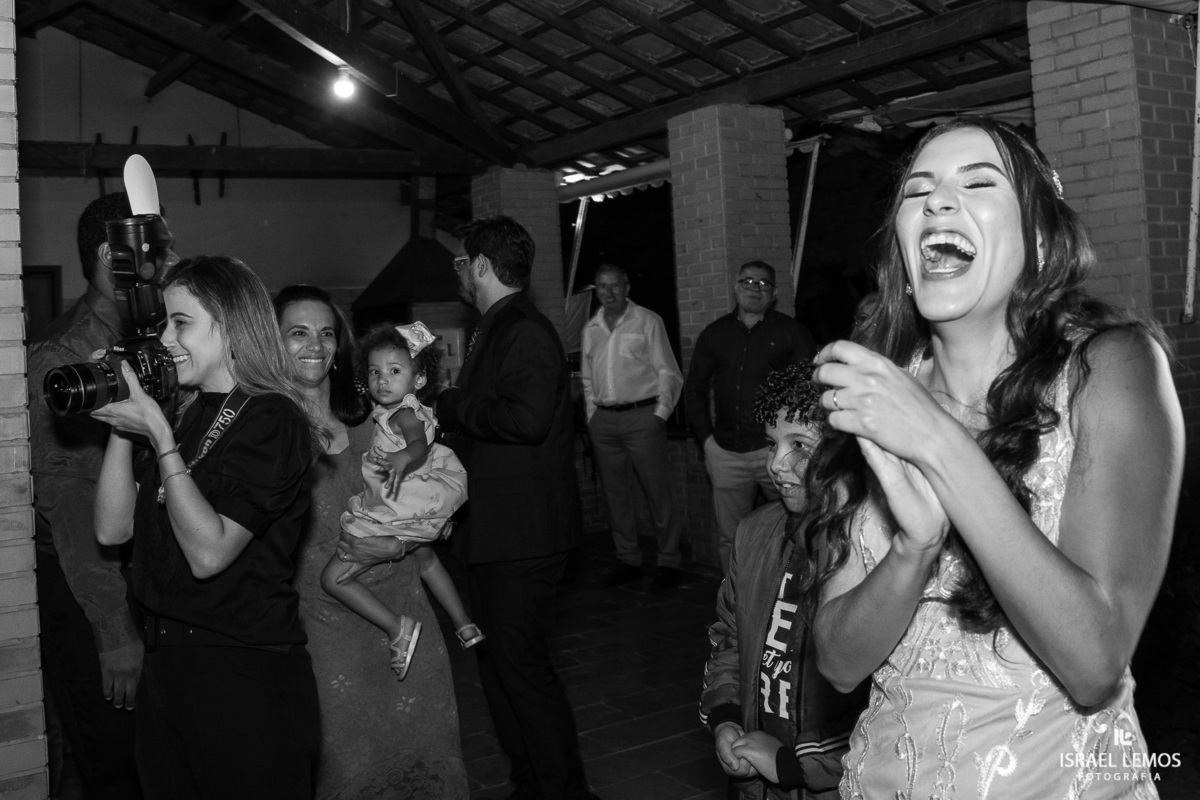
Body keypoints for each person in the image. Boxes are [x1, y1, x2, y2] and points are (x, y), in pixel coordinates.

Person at [806, 118, 1183, 798]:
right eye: (918, 193)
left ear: (1039, 240)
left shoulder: (1111, 369)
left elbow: (1095, 661)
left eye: (978, 183)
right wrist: (912, 548)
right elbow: (836, 662)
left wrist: (938, 442)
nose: (938, 203)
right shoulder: (878, 396)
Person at [91, 256, 321, 799]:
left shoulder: (273, 418)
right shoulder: (187, 411)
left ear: (231, 324)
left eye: (181, 323)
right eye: (165, 324)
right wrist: (127, 424)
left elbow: (210, 553)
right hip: (167, 668)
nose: (166, 339)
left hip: (242, 676)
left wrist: (160, 438)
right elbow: (112, 529)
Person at [276, 285, 469, 799]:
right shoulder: (267, 438)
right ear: (271, 343)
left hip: (409, 619)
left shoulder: (376, 431)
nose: (315, 344)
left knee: (428, 762)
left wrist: (399, 547)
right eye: (298, 332)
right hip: (328, 638)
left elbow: (429, 515)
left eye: (326, 333)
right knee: (350, 773)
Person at [435, 215, 599, 800]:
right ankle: (530, 781)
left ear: (480, 265)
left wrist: (453, 406)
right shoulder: (497, 325)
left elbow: (526, 420)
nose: (458, 272)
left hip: (522, 535)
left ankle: (564, 790)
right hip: (497, 531)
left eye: (460, 262)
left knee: (522, 670)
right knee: (499, 668)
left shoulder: (523, 328)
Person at [28, 192, 158, 800]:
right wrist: (113, 628)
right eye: (155, 245)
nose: (169, 256)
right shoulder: (67, 354)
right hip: (91, 585)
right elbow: (69, 501)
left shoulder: (151, 335)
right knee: (117, 767)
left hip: (144, 571)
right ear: (113, 254)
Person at [700, 364, 867, 800]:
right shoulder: (755, 533)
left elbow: (882, 694)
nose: (776, 463)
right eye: (772, 444)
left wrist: (794, 766)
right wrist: (726, 718)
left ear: (845, 451)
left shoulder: (870, 547)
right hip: (757, 780)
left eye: (800, 445)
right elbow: (729, 639)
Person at [328, 321, 480, 678]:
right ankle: (464, 623)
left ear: (419, 379)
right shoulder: (404, 410)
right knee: (427, 562)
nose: (383, 380)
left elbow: (417, 443)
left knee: (333, 579)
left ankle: (398, 627)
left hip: (396, 509)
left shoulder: (404, 413)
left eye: (395, 371)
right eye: (375, 372)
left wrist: (401, 458)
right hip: (413, 508)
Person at [684, 260, 816, 573]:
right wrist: (707, 441)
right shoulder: (715, 334)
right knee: (731, 537)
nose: (755, 289)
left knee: (796, 527)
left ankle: (790, 597)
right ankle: (734, 606)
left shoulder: (791, 333)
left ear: (774, 293)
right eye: (748, 282)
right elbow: (695, 390)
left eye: (763, 284)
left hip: (775, 452)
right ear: (735, 286)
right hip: (725, 450)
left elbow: (808, 392)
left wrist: (795, 447)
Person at [580, 263, 684, 589]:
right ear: (595, 290)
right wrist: (591, 415)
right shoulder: (591, 328)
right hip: (604, 421)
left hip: (643, 417)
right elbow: (586, 378)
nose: (608, 293)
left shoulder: (648, 321)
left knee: (658, 493)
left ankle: (668, 560)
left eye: (614, 285)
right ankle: (627, 558)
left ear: (627, 287)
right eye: (601, 286)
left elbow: (669, 371)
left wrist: (660, 415)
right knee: (615, 496)